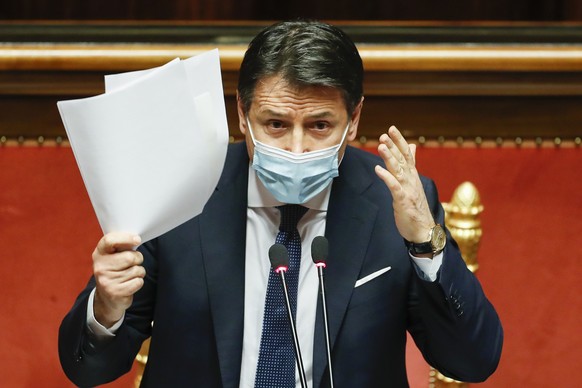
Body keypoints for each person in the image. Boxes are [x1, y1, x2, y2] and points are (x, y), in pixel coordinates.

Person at [59, 19, 503, 388]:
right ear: (241, 114)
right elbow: (87, 368)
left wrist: (426, 242)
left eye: (319, 125)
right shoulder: (180, 191)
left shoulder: (396, 204)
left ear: (354, 121)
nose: (296, 148)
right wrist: (106, 308)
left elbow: (473, 361)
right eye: (274, 123)